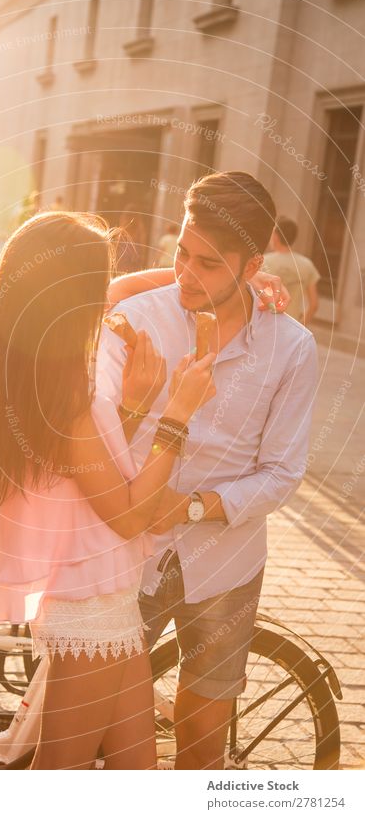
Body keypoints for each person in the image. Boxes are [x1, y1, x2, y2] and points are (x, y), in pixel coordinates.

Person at [0, 210, 217, 770]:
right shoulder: (65, 392)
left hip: (105, 597)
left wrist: (130, 407)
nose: (108, 299)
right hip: (89, 604)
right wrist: (175, 414)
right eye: (96, 284)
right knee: (58, 777)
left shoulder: (24, 367)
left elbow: (80, 477)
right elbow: (126, 515)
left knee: (135, 775)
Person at [95, 171, 318, 770]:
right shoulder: (135, 318)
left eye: (210, 265)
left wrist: (194, 507)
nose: (187, 275)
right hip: (126, 550)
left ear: (253, 267)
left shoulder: (292, 348)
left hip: (226, 558)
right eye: (181, 254)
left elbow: (282, 472)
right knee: (98, 722)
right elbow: (91, 437)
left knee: (202, 724)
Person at [263, 215, 320, 326]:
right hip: (291, 326)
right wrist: (300, 327)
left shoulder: (264, 261)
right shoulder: (307, 265)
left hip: (267, 325)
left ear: (276, 237)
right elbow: (314, 304)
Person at [116, 203, 148, 273]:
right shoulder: (139, 226)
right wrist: (142, 256)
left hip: (123, 253)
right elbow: (142, 242)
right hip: (135, 253)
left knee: (121, 273)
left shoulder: (123, 224)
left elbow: (118, 240)